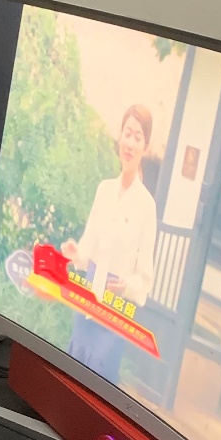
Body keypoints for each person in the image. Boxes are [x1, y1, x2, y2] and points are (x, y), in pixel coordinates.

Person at [60, 104, 158, 383]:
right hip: (88, 296)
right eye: (127, 133)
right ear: (120, 137)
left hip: (115, 309)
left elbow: (145, 277)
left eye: (138, 137)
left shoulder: (146, 206)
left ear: (145, 147)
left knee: (98, 380)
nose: (130, 143)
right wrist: (76, 253)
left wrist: (126, 285)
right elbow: (88, 248)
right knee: (72, 373)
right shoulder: (104, 190)